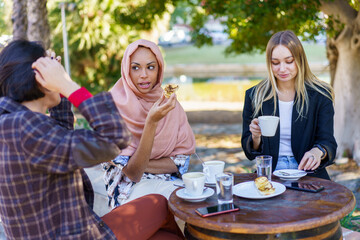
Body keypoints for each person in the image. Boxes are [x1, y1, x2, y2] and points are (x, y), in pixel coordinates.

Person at [0, 39, 184, 240]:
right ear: (41, 79)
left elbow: (61, 137)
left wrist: (60, 90)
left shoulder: (14, 124)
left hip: (72, 230)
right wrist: (67, 85)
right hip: (77, 236)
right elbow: (114, 139)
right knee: (158, 205)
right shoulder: (24, 128)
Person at [103, 39, 196, 207]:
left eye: (150, 67)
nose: (144, 75)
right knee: (169, 205)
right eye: (135, 67)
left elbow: (181, 163)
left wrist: (135, 161)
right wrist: (151, 122)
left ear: (159, 70)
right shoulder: (110, 108)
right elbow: (133, 174)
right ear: (126, 70)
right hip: (127, 191)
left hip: (171, 184)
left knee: (197, 204)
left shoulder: (169, 105)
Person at [241, 30, 337, 180]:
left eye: (289, 61)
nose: (282, 69)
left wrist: (317, 152)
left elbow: (328, 142)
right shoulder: (255, 95)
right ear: (269, 63)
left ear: (299, 60)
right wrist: (255, 137)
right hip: (270, 173)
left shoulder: (320, 95)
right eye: (275, 63)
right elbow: (249, 152)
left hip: (308, 172)